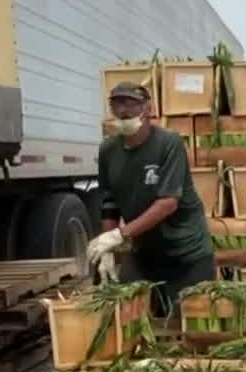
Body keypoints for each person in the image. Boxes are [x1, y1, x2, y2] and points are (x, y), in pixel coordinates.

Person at [87, 81, 214, 320]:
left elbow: (168, 202)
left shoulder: (168, 143)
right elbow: (109, 201)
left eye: (131, 104)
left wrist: (120, 235)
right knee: (129, 319)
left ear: (146, 109)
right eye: (117, 104)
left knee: (188, 326)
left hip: (186, 252)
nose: (123, 111)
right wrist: (108, 247)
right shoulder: (108, 150)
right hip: (145, 251)